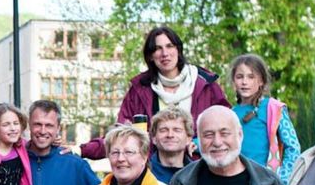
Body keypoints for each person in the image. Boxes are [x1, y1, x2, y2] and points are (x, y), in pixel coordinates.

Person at [80, 25, 228, 160]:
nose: (165, 53)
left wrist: (197, 144)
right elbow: (121, 136)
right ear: (150, 56)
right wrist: (81, 150)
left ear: (178, 50)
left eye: (170, 46)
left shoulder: (206, 86)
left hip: (199, 171)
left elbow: (228, 128)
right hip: (154, 174)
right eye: (157, 48)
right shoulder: (138, 91)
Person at [228, 53, 301, 184]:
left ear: (261, 81)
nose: (244, 82)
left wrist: (282, 179)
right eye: (240, 77)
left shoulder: (274, 108)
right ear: (234, 81)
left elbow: (293, 147)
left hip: (265, 182)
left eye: (251, 77)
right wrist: (195, 143)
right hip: (237, 181)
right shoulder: (230, 113)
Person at [148, 105, 195, 182]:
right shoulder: (142, 173)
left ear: (188, 138)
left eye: (177, 130)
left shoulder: (198, 174)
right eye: (163, 130)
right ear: (154, 138)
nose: (170, 135)